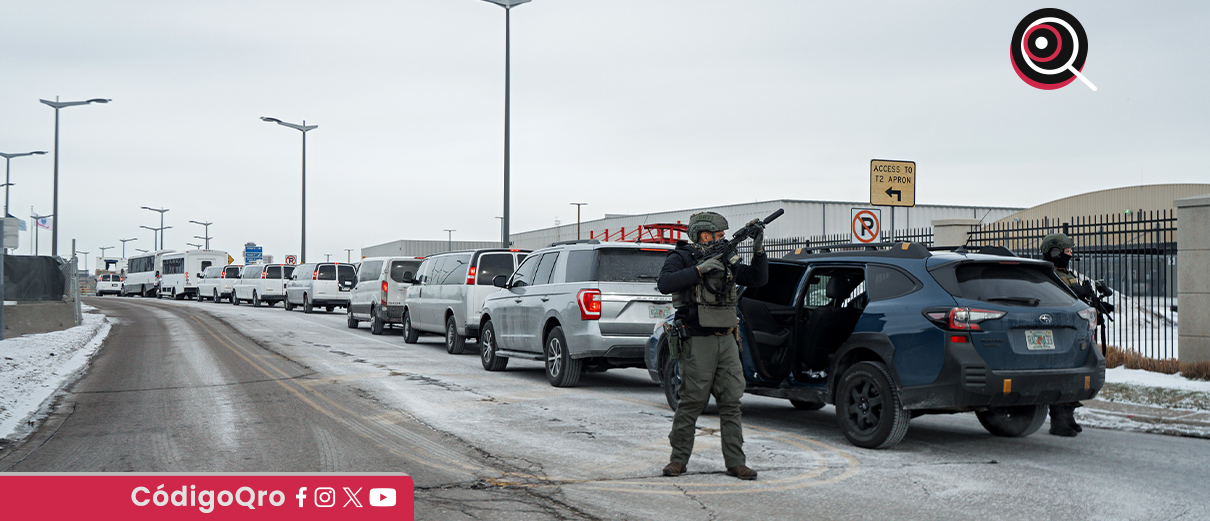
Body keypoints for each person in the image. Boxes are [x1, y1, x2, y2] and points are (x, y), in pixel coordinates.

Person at [658, 211, 768, 480]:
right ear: (704, 234)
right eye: (719, 235)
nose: (724, 239)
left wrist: (759, 249)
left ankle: (736, 462)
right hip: (696, 340)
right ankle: (678, 460)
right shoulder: (682, 256)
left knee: (731, 402)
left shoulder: (726, 257)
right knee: (692, 401)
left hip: (727, 338)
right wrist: (698, 270)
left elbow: (757, 279)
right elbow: (664, 283)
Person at [1039, 232, 1102, 437]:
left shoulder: (1066, 272)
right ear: (1056, 252)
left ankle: (1068, 416)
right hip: (1057, 330)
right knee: (1060, 375)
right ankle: (1058, 420)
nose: (1070, 254)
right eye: (1067, 251)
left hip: (1072, 329)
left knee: (1074, 374)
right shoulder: (1046, 273)